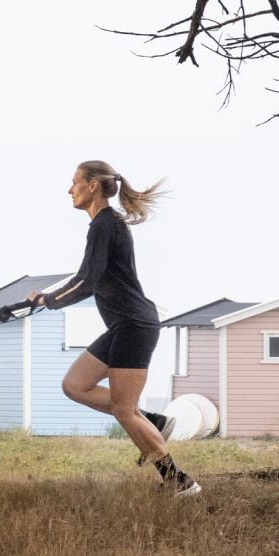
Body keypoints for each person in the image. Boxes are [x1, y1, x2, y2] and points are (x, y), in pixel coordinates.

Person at [26, 160, 201, 497]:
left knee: (123, 409)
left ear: (93, 185)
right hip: (124, 325)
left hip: (134, 325)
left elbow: (87, 281)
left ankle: (181, 483)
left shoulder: (105, 225)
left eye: (74, 181)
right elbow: (87, 278)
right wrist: (49, 299)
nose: (69, 189)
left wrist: (48, 300)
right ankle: (153, 420)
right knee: (75, 385)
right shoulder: (104, 225)